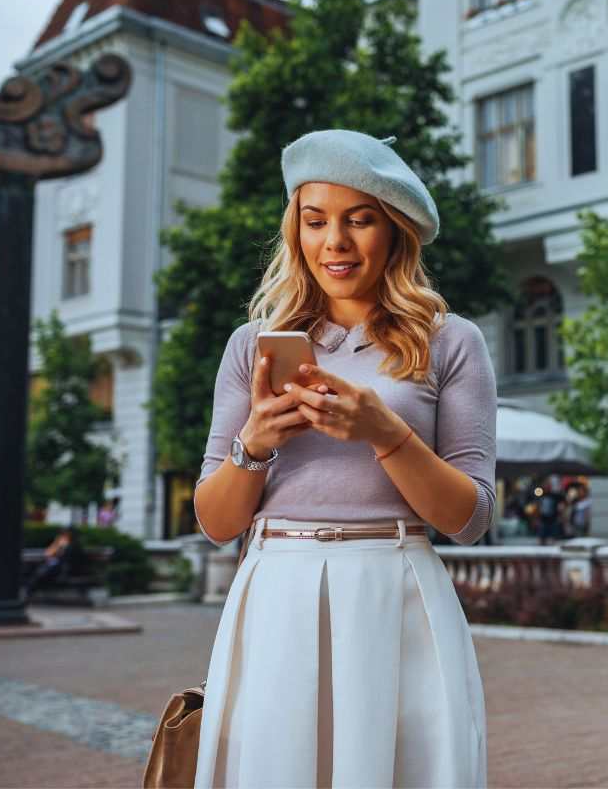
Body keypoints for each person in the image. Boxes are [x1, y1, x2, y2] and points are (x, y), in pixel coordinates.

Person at [189, 130, 493, 788]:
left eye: (360, 220)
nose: (336, 242)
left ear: (395, 230)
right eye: (316, 220)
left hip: (398, 589)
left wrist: (386, 432)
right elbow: (215, 523)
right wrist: (256, 445)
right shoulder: (254, 347)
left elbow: (470, 518)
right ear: (294, 228)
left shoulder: (452, 342)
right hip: (277, 589)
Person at [22, 525, 84, 599]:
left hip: (63, 569)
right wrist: (56, 544)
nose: (64, 535)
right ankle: (28, 591)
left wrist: (62, 547)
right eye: (63, 533)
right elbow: (48, 553)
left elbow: (66, 558)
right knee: (32, 569)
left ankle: (28, 593)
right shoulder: (60, 542)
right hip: (54, 566)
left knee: (39, 573)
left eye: (66, 533)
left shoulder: (74, 545)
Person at [535, 476, 567, 545]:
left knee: (553, 537)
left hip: (553, 518)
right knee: (541, 536)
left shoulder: (554, 495)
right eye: (545, 486)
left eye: (548, 486)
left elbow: (563, 501)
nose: (546, 487)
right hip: (543, 519)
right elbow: (538, 506)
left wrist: (561, 512)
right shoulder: (541, 495)